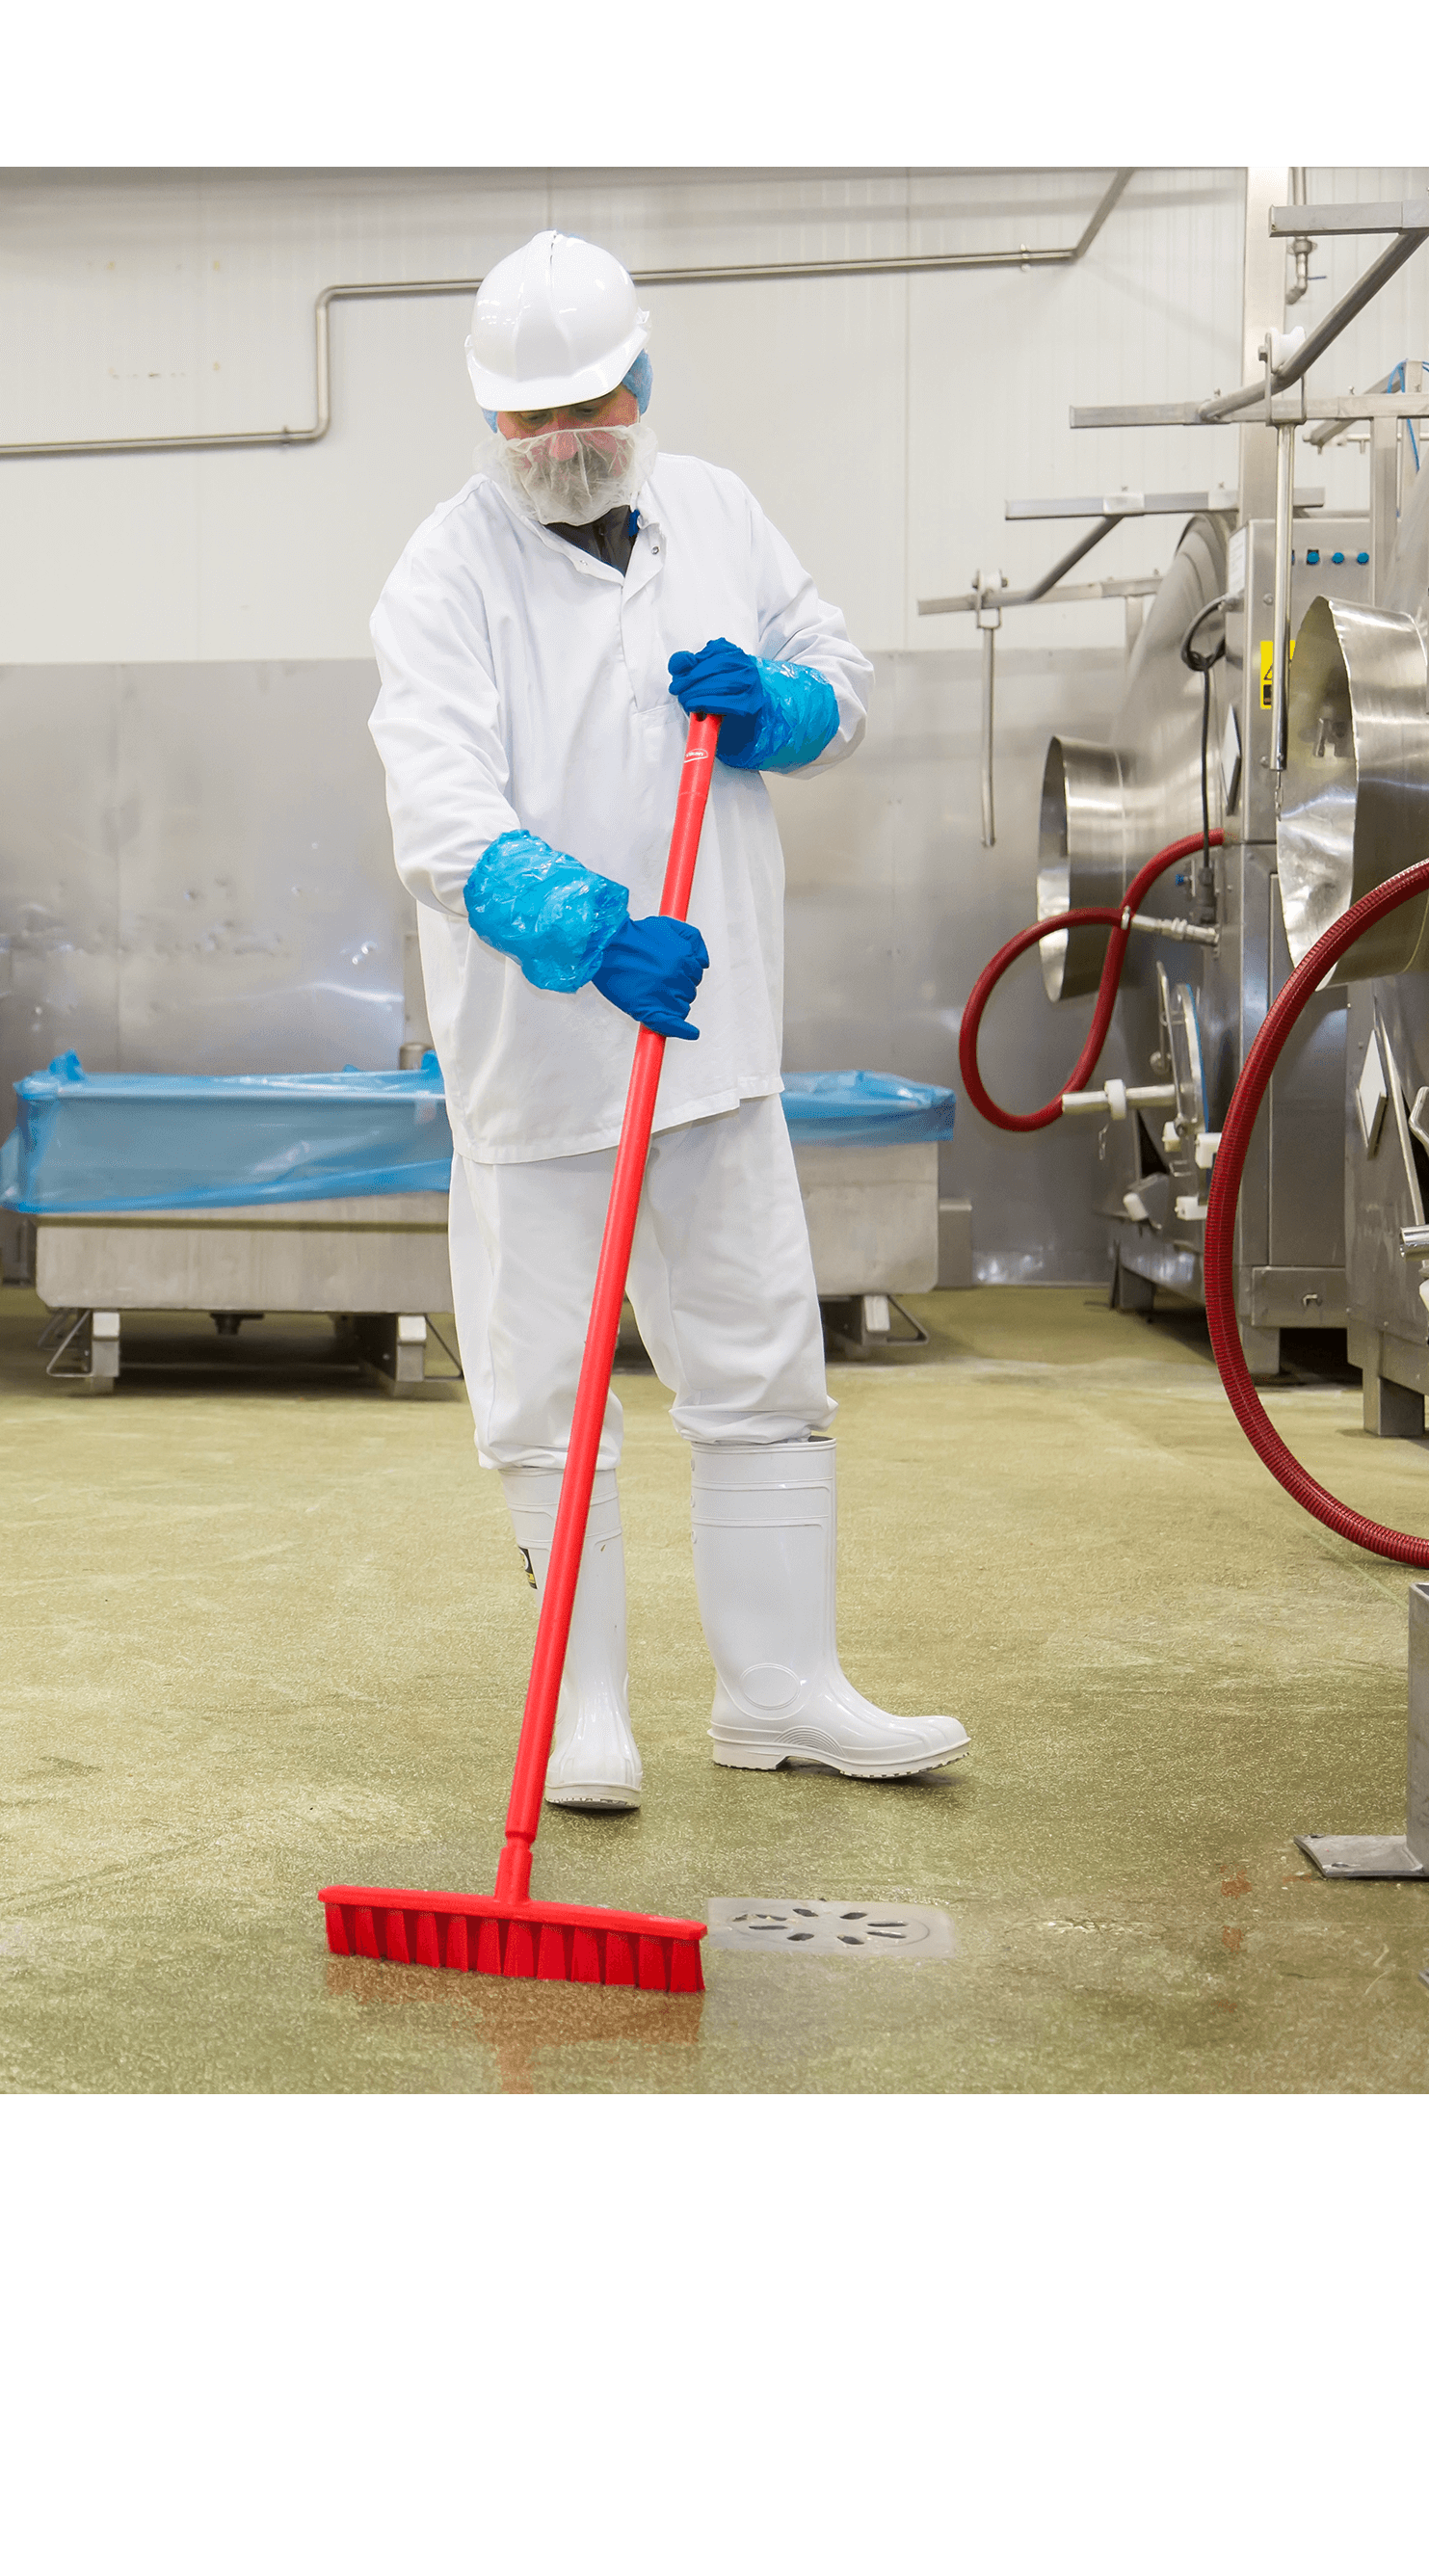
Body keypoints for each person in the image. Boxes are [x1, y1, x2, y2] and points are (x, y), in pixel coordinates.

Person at [368, 228, 966, 1808]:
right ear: (490, 422)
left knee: (763, 1372)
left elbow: (840, 672)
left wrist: (784, 708)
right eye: (528, 421)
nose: (565, 444)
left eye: (589, 407)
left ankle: (781, 1694)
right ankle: (585, 1717)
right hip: (542, 1072)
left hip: (716, 1049)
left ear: (642, 382)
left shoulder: (719, 514)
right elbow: (437, 815)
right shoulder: (445, 574)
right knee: (550, 1403)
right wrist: (584, 929)